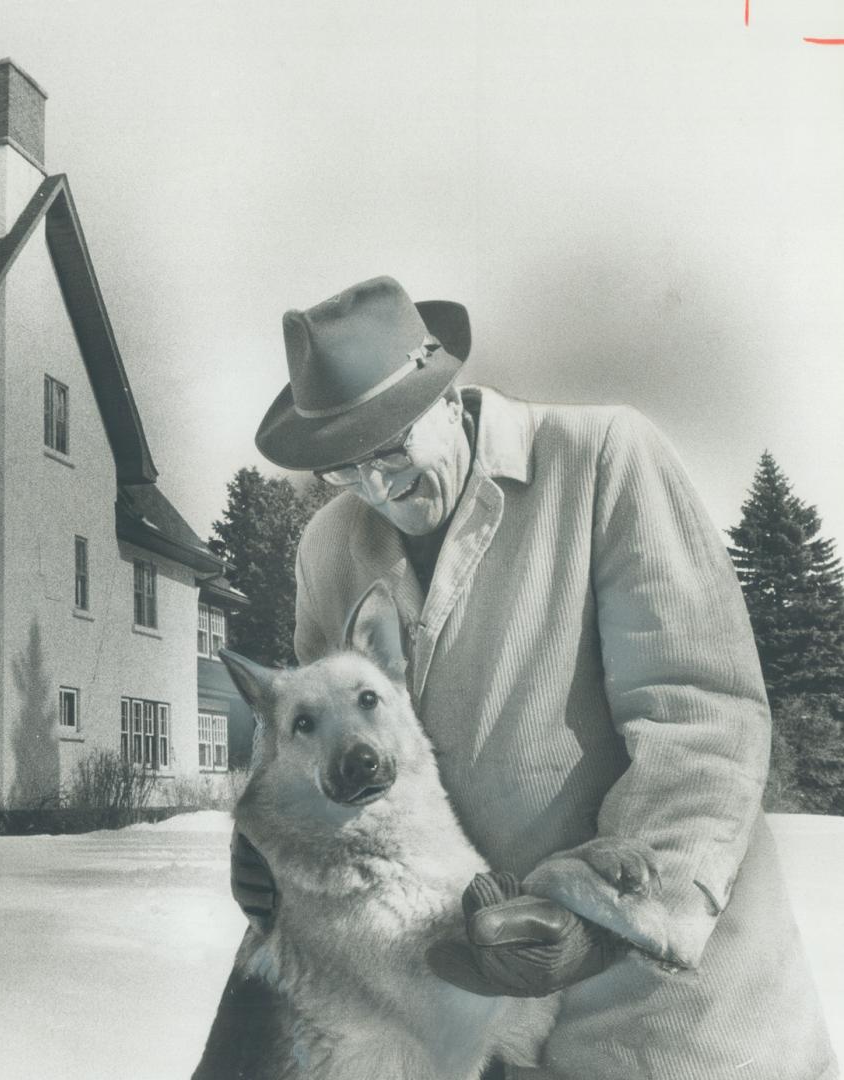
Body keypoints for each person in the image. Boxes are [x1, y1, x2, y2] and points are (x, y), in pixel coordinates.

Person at [193, 276, 838, 1079]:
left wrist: (601, 920)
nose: (377, 487)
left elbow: (702, 720)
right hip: (479, 1022)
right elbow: (311, 726)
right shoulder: (329, 547)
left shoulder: (604, 460)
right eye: (345, 469)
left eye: (391, 451)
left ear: (447, 395)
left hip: (670, 1014)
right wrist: (265, 838)